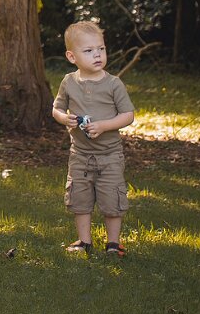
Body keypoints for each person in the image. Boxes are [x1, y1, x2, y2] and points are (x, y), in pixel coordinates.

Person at [50, 20, 136, 257]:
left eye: (101, 49)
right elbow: (56, 109)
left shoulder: (113, 84)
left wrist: (104, 126)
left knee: (112, 199)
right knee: (80, 198)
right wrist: (64, 118)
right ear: (72, 56)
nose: (97, 55)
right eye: (88, 51)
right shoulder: (69, 82)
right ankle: (84, 242)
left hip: (109, 155)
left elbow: (128, 115)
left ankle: (113, 244)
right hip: (80, 154)